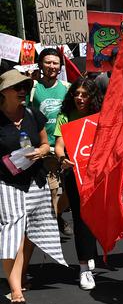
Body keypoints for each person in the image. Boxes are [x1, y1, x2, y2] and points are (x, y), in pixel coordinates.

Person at [0, 70, 67, 304]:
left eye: (24, 87)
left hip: (35, 182)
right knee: (12, 234)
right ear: (3, 92)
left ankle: (19, 275)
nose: (22, 91)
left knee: (31, 232)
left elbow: (47, 143)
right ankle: (15, 288)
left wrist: (41, 151)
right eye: (17, 87)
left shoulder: (31, 113)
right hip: (7, 183)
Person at [53, 78, 103, 290]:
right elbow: (59, 146)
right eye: (77, 94)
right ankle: (84, 269)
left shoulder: (100, 116)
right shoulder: (65, 116)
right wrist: (62, 158)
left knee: (94, 217)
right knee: (80, 218)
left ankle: (90, 252)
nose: (80, 98)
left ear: (92, 96)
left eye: (84, 94)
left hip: (97, 175)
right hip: (74, 175)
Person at [27, 48, 71, 235]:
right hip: (44, 149)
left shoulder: (68, 88)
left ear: (60, 66)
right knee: (53, 190)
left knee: (69, 193)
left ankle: (56, 215)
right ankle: (49, 228)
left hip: (65, 147)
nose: (52, 66)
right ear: (40, 64)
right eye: (48, 62)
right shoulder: (33, 88)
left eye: (55, 63)